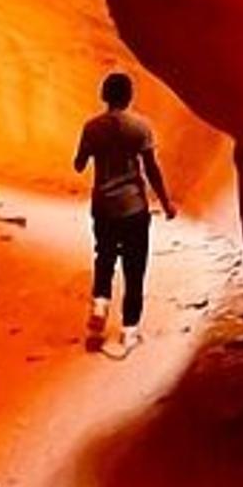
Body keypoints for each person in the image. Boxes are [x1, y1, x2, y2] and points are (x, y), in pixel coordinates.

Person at [73, 71, 175, 357]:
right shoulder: (140, 127)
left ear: (104, 95)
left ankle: (100, 303)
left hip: (103, 205)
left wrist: (93, 154)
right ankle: (129, 331)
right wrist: (166, 203)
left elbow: (79, 164)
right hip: (133, 208)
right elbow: (151, 168)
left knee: (104, 256)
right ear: (129, 96)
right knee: (135, 267)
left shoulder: (92, 128)